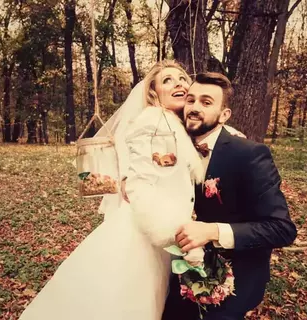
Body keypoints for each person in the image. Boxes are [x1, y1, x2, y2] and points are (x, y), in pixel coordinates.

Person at [19, 60, 205, 320]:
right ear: (153, 93)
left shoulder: (176, 125)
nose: (179, 84)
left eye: (183, 79)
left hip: (163, 230)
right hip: (148, 232)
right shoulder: (152, 122)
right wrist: (172, 235)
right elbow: (140, 186)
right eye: (168, 80)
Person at [162, 72, 297, 320]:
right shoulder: (174, 147)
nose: (194, 108)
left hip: (236, 271)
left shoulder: (249, 154)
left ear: (224, 115)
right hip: (183, 265)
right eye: (190, 100)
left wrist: (213, 231)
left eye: (206, 102)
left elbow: (282, 229)